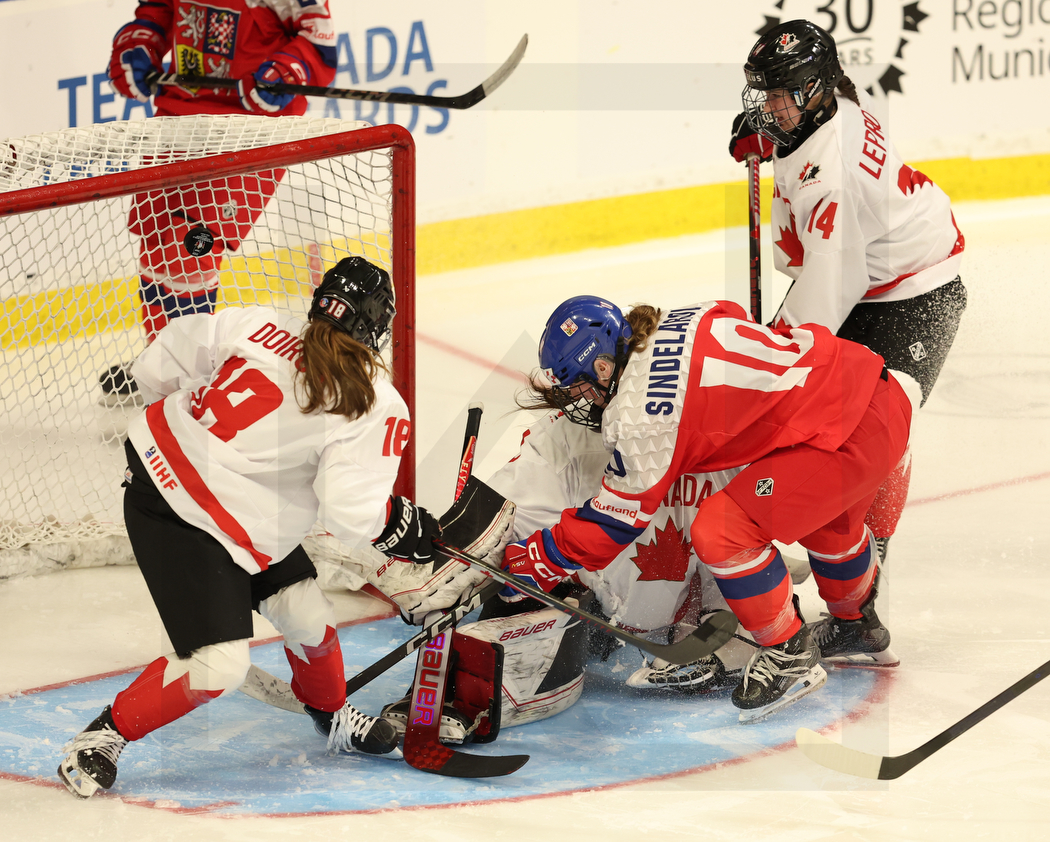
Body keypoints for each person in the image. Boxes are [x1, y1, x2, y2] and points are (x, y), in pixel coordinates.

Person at [58, 257, 444, 799]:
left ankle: (331, 715)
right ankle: (102, 737)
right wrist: (399, 526)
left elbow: (159, 362)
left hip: (183, 483)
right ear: (376, 327)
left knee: (307, 615)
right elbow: (348, 513)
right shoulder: (372, 398)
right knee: (218, 666)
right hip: (180, 514)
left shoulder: (258, 322)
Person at [494, 294, 919, 722]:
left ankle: (788, 653)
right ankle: (855, 624)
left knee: (723, 530)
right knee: (829, 526)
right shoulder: (677, 316)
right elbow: (734, 317)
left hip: (844, 433)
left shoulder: (639, 414)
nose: (577, 399)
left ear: (603, 367)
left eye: (579, 386)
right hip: (873, 392)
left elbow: (614, 519)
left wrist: (539, 558)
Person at [728, 19, 967, 564]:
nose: (769, 105)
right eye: (765, 92)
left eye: (781, 94)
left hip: (917, 294)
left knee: (879, 430)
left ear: (815, 88)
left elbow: (824, 295)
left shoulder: (832, 174)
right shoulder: (832, 106)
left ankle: (873, 551)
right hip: (871, 271)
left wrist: (768, 356)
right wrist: (774, 136)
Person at [100, 0, 337, 404]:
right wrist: (139, 44)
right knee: (156, 242)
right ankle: (162, 364)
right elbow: (158, 9)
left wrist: (285, 72)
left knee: (189, 249)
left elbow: (319, 41)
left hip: (249, 130)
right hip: (178, 115)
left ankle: (186, 382)